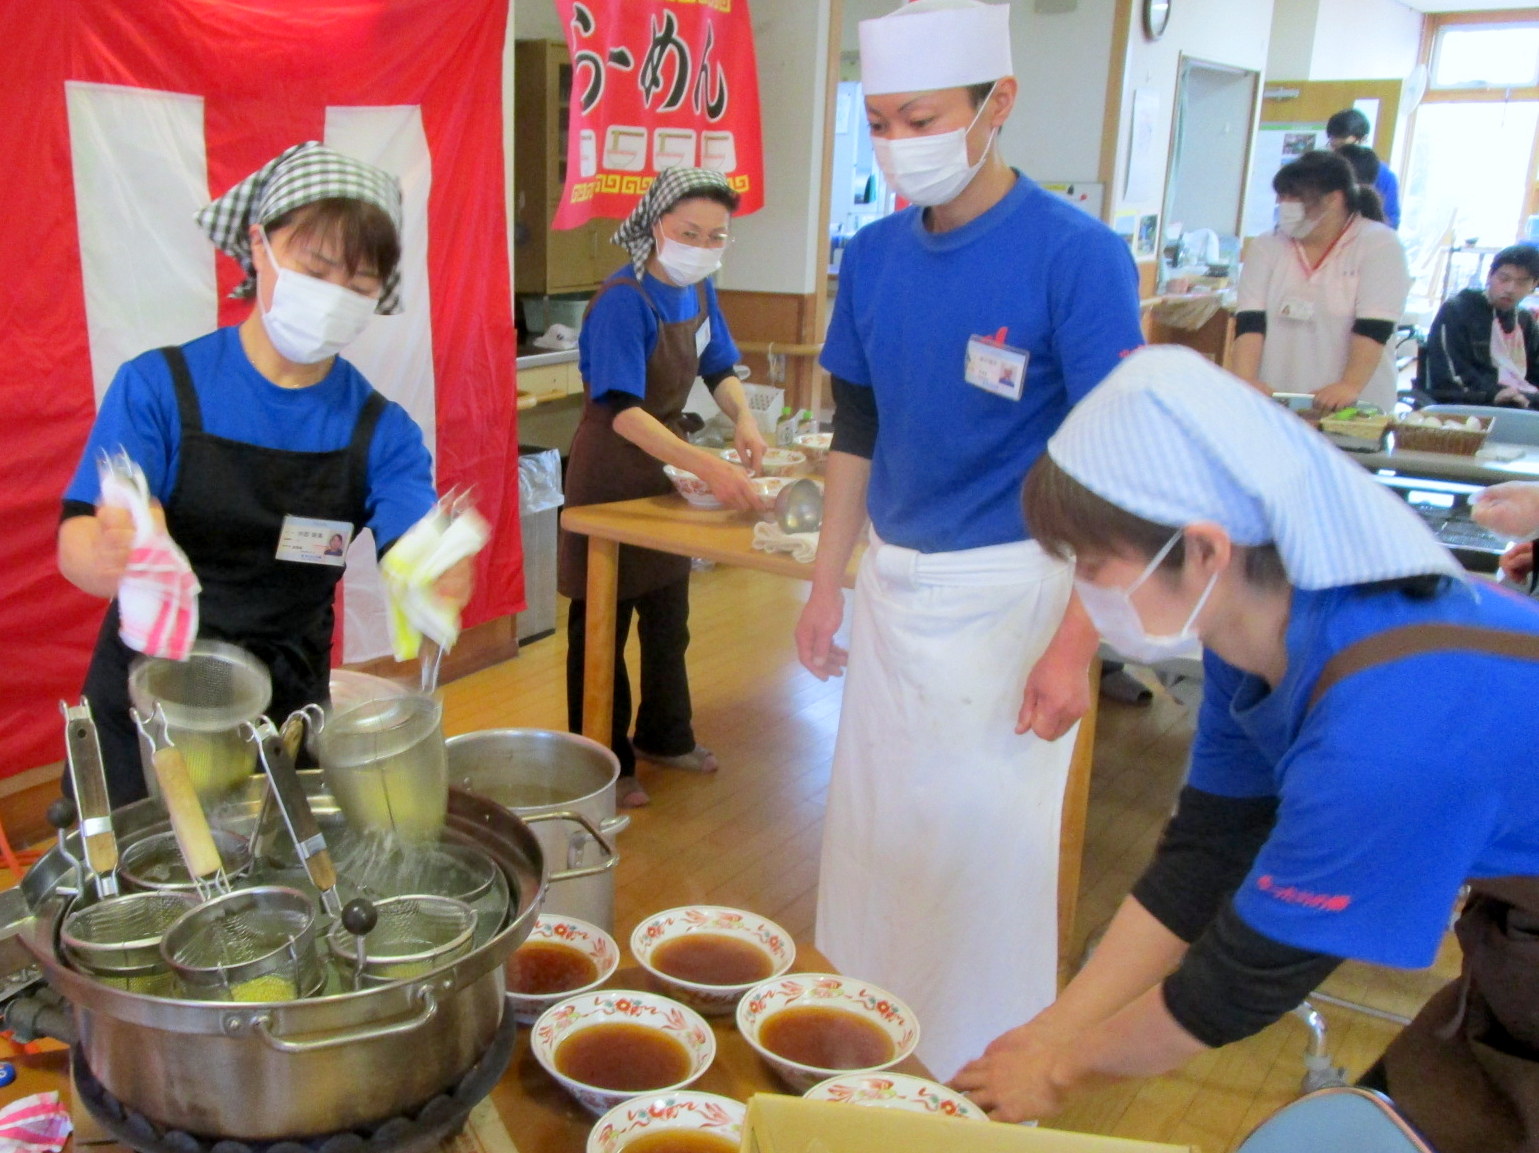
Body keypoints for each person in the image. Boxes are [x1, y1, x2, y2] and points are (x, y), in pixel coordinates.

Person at [952, 345, 1539, 1153]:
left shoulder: (1385, 726)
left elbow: (1241, 979)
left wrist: (1058, 1070)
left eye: (1090, 563)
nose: (1080, 591)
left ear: (1202, 549)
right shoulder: (1249, 635)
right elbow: (1208, 848)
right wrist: (1054, 1027)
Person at [796, 0, 1144, 1079]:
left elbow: (1124, 467)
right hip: (896, 592)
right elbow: (859, 425)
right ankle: (866, 1049)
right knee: (875, 849)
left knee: (981, 866)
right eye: (882, 121)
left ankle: (973, 1080)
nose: (900, 145)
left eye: (921, 117)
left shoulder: (1076, 258)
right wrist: (825, 582)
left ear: (999, 105)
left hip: (1014, 600)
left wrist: (1078, 645)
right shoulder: (876, 254)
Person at [59, 142, 470, 806]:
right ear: (259, 244)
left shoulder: (380, 432)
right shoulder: (160, 388)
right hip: (151, 706)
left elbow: (413, 540)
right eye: (316, 267)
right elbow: (76, 542)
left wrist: (436, 570)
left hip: (281, 714)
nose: (333, 297)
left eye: (359, 285)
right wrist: (110, 552)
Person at [557, 167, 765, 810]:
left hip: (665, 472)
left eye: (715, 235)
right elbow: (621, 408)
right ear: (655, 228)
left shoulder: (700, 290)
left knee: (668, 616)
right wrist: (707, 467)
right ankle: (602, 759)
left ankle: (665, 734)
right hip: (612, 473)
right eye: (688, 232)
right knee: (601, 623)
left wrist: (746, 417)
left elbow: (718, 364)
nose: (702, 246)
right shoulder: (624, 299)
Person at [1231, 150, 1410, 413]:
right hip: (1278, 399)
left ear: (1334, 199)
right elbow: (1250, 321)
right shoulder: (1267, 246)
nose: (1285, 205)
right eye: (1282, 197)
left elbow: (1375, 326)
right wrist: (1245, 380)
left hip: (1355, 402)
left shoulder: (1379, 244)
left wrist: (1349, 385)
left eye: (1296, 197)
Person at [1425, 243, 1539, 407]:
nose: (1510, 289)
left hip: (1520, 402)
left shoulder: (1525, 320)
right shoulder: (1458, 310)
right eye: (1504, 278)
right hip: (1470, 402)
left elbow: (1535, 370)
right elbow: (1449, 373)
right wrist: (1494, 394)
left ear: (1534, 285)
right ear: (1489, 276)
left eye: (1521, 283)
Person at [1328, 108, 1400, 229]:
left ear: (1363, 139)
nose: (1340, 153)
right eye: (1334, 147)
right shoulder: (1324, 170)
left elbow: (1391, 220)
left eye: (1344, 146)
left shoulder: (1384, 175)